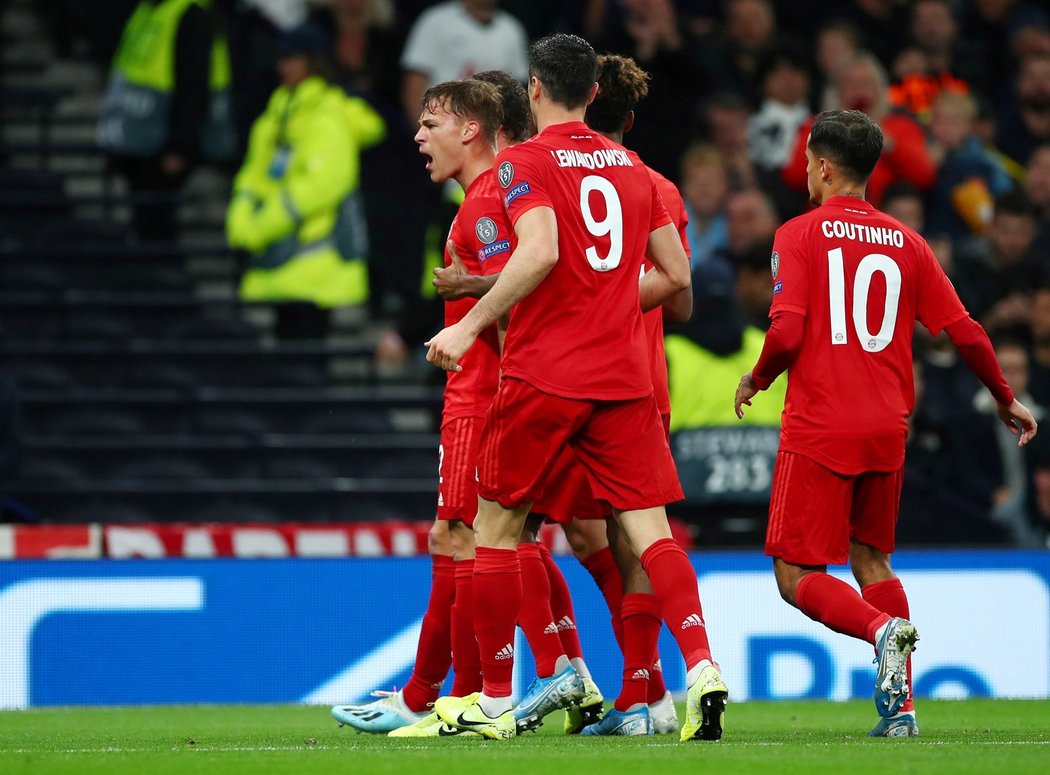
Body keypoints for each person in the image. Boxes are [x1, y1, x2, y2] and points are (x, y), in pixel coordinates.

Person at [426, 33, 727, 743]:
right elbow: (678, 277)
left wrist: (468, 325)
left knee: (499, 527)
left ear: (532, 90)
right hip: (623, 377)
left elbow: (540, 250)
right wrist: (614, 306)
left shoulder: (522, 163)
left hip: (545, 373)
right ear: (594, 92)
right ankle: (703, 667)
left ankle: (494, 698)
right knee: (649, 532)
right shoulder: (634, 168)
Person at [734, 109, 1038, 738]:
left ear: (821, 165)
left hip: (820, 424)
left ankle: (880, 632)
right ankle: (902, 710)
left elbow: (787, 329)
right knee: (872, 558)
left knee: (795, 577)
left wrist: (757, 378)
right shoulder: (910, 242)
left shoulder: (798, 234)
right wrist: (1004, 396)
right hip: (887, 426)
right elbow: (967, 332)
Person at [330, 78, 511, 736]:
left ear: (470, 130)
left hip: (481, 392)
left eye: (431, 124)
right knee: (470, 538)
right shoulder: (475, 201)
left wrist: (467, 314)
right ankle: (439, 691)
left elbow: (524, 294)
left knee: (464, 538)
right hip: (478, 388)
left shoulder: (485, 205)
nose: (417, 135)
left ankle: (449, 694)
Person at [225, 23, 384, 339]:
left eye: (293, 57)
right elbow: (254, 171)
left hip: (313, 254)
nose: (285, 65)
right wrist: (241, 218)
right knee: (287, 349)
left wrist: (260, 225)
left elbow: (324, 183)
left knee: (306, 350)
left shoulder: (328, 114)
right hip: (280, 251)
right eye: (282, 58)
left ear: (313, 61)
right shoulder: (276, 112)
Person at [97, 0, 235, 242]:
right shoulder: (147, 9)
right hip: (136, 138)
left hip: (162, 146)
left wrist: (179, 147)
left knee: (158, 228)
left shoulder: (189, 13)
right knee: (143, 225)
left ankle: (165, 276)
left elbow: (193, 86)